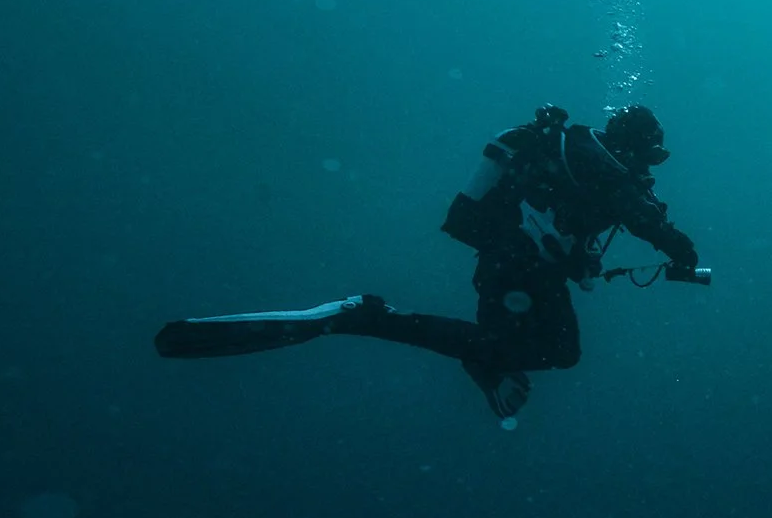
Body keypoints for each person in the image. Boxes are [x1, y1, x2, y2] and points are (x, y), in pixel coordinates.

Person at [155, 104, 704, 419]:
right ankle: (364, 316)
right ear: (636, 147)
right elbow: (651, 224)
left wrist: (579, 260)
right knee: (560, 351)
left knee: (496, 343)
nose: (651, 168)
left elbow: (563, 226)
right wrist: (686, 256)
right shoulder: (611, 173)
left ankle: (476, 359)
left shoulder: (568, 150)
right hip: (520, 267)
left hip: (500, 258)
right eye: (651, 156)